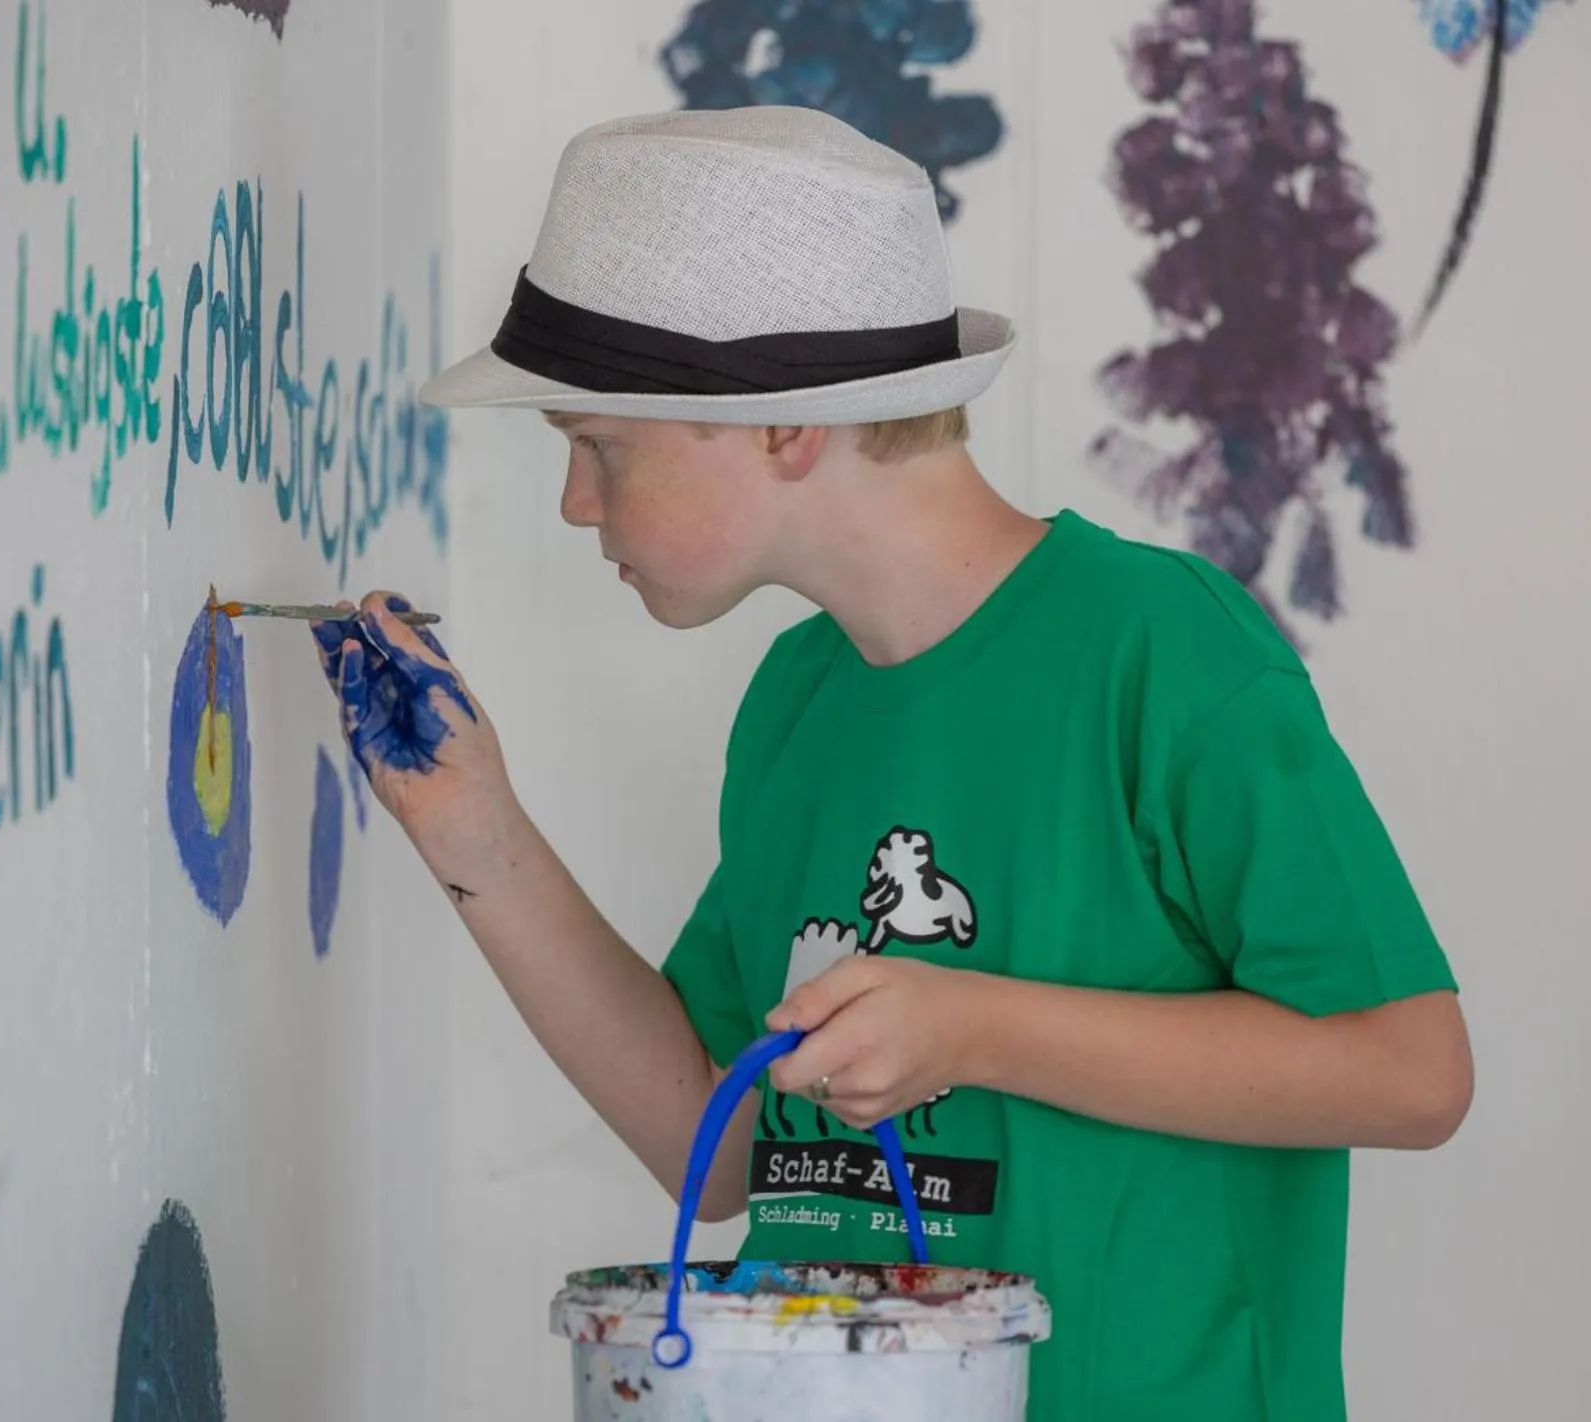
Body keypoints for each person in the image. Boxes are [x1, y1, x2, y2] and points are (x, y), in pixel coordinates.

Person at [309, 106, 1472, 1420]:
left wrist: (973, 1027)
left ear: (783, 430)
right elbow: (723, 1135)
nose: (577, 502)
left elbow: (1410, 1068)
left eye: (599, 448)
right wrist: (476, 833)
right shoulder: (797, 698)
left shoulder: (1161, 655)